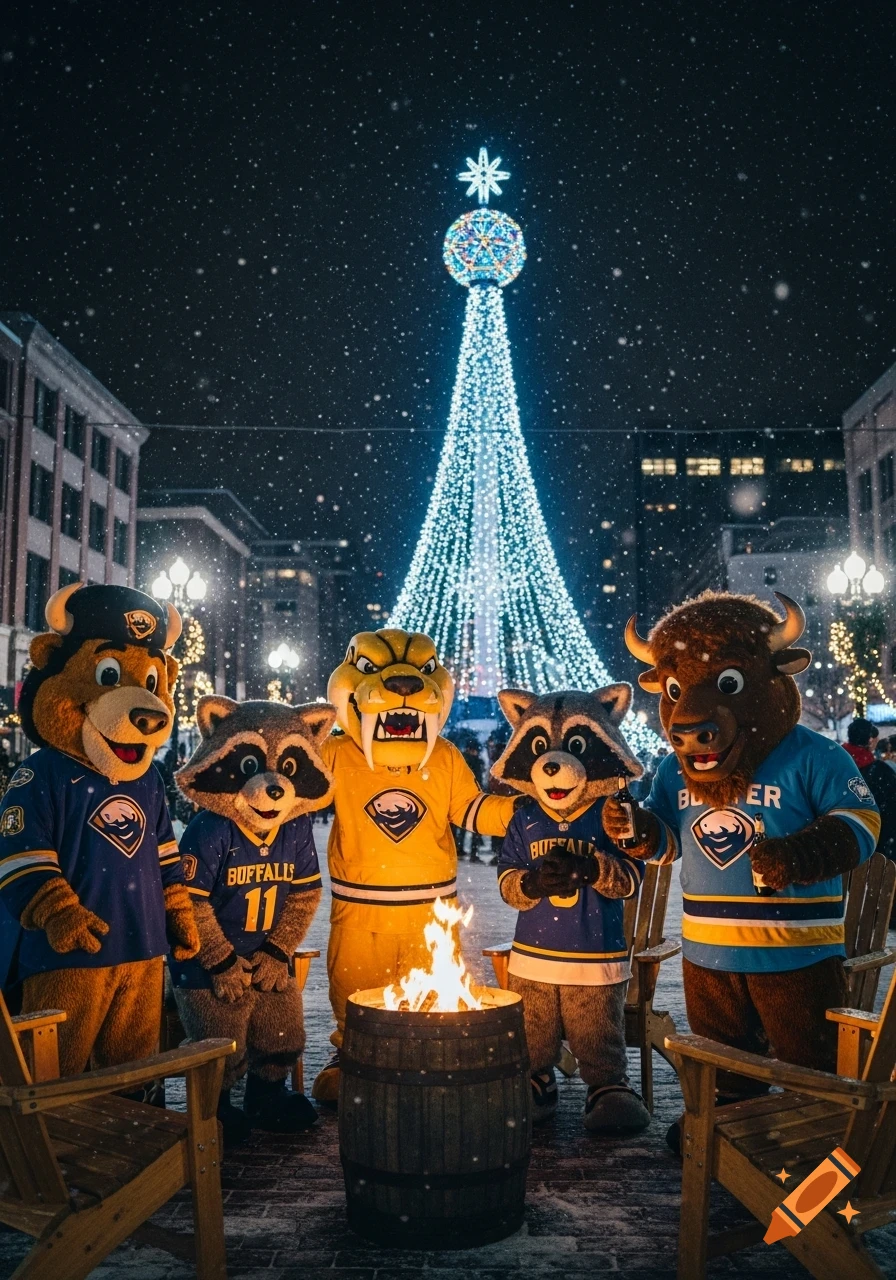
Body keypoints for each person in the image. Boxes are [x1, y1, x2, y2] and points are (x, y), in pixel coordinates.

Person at [843, 718, 896, 861]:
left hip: (843, 839)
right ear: (870, 740)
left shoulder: (836, 762)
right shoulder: (881, 772)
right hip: (876, 840)